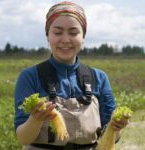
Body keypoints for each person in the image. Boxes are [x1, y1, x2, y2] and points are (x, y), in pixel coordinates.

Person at [14, 1, 130, 150]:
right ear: (47, 36)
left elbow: (111, 136)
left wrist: (116, 128)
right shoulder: (30, 76)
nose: (65, 39)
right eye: (57, 32)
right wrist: (35, 120)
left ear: (83, 37)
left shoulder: (99, 78)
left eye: (74, 32)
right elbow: (23, 137)